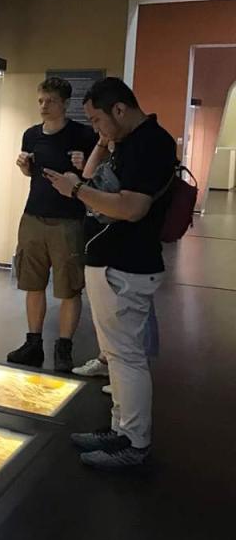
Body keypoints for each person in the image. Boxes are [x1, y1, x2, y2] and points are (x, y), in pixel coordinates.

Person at [44, 77, 175, 471]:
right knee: (117, 356)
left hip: (127, 264)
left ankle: (134, 441)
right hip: (112, 262)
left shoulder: (150, 144)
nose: (96, 128)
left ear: (120, 110)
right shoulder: (130, 142)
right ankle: (121, 429)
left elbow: (132, 208)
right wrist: (101, 145)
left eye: (98, 120)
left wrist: (76, 191)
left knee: (126, 357)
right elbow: (95, 179)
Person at [8, 77, 97, 372]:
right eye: (41, 101)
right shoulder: (31, 135)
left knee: (69, 287)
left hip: (68, 219)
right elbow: (31, 174)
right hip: (33, 215)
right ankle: (33, 343)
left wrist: (84, 165)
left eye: (51, 101)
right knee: (32, 283)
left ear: (65, 103)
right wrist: (25, 167)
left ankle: (64, 347)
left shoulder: (83, 135)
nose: (44, 106)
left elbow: (94, 176)